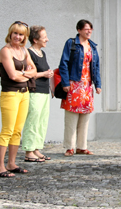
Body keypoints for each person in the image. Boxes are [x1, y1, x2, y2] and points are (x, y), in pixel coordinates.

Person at [0, 21, 37, 177]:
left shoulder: (24, 51)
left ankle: (11, 163)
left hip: (24, 93)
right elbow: (12, 75)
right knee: (7, 130)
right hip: (10, 94)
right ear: (10, 33)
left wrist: (24, 74)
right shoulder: (6, 51)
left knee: (17, 131)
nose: (17, 37)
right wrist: (26, 74)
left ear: (24, 37)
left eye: (21, 34)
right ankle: (0, 166)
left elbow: (35, 70)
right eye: (15, 33)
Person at [59, 19, 102, 156]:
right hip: (74, 83)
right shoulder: (71, 44)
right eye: (86, 29)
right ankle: (69, 147)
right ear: (79, 30)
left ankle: (81, 146)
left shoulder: (92, 47)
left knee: (85, 117)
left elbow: (96, 67)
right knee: (71, 117)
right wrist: (65, 82)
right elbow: (63, 63)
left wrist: (98, 84)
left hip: (87, 85)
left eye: (90, 29)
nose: (89, 31)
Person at [22, 26, 54, 162]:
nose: (47, 39)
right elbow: (27, 73)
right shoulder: (28, 53)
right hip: (34, 91)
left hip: (44, 91)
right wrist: (44, 74)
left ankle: (36, 148)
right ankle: (29, 150)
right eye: (44, 36)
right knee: (32, 121)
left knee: (42, 121)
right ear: (35, 39)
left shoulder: (42, 53)